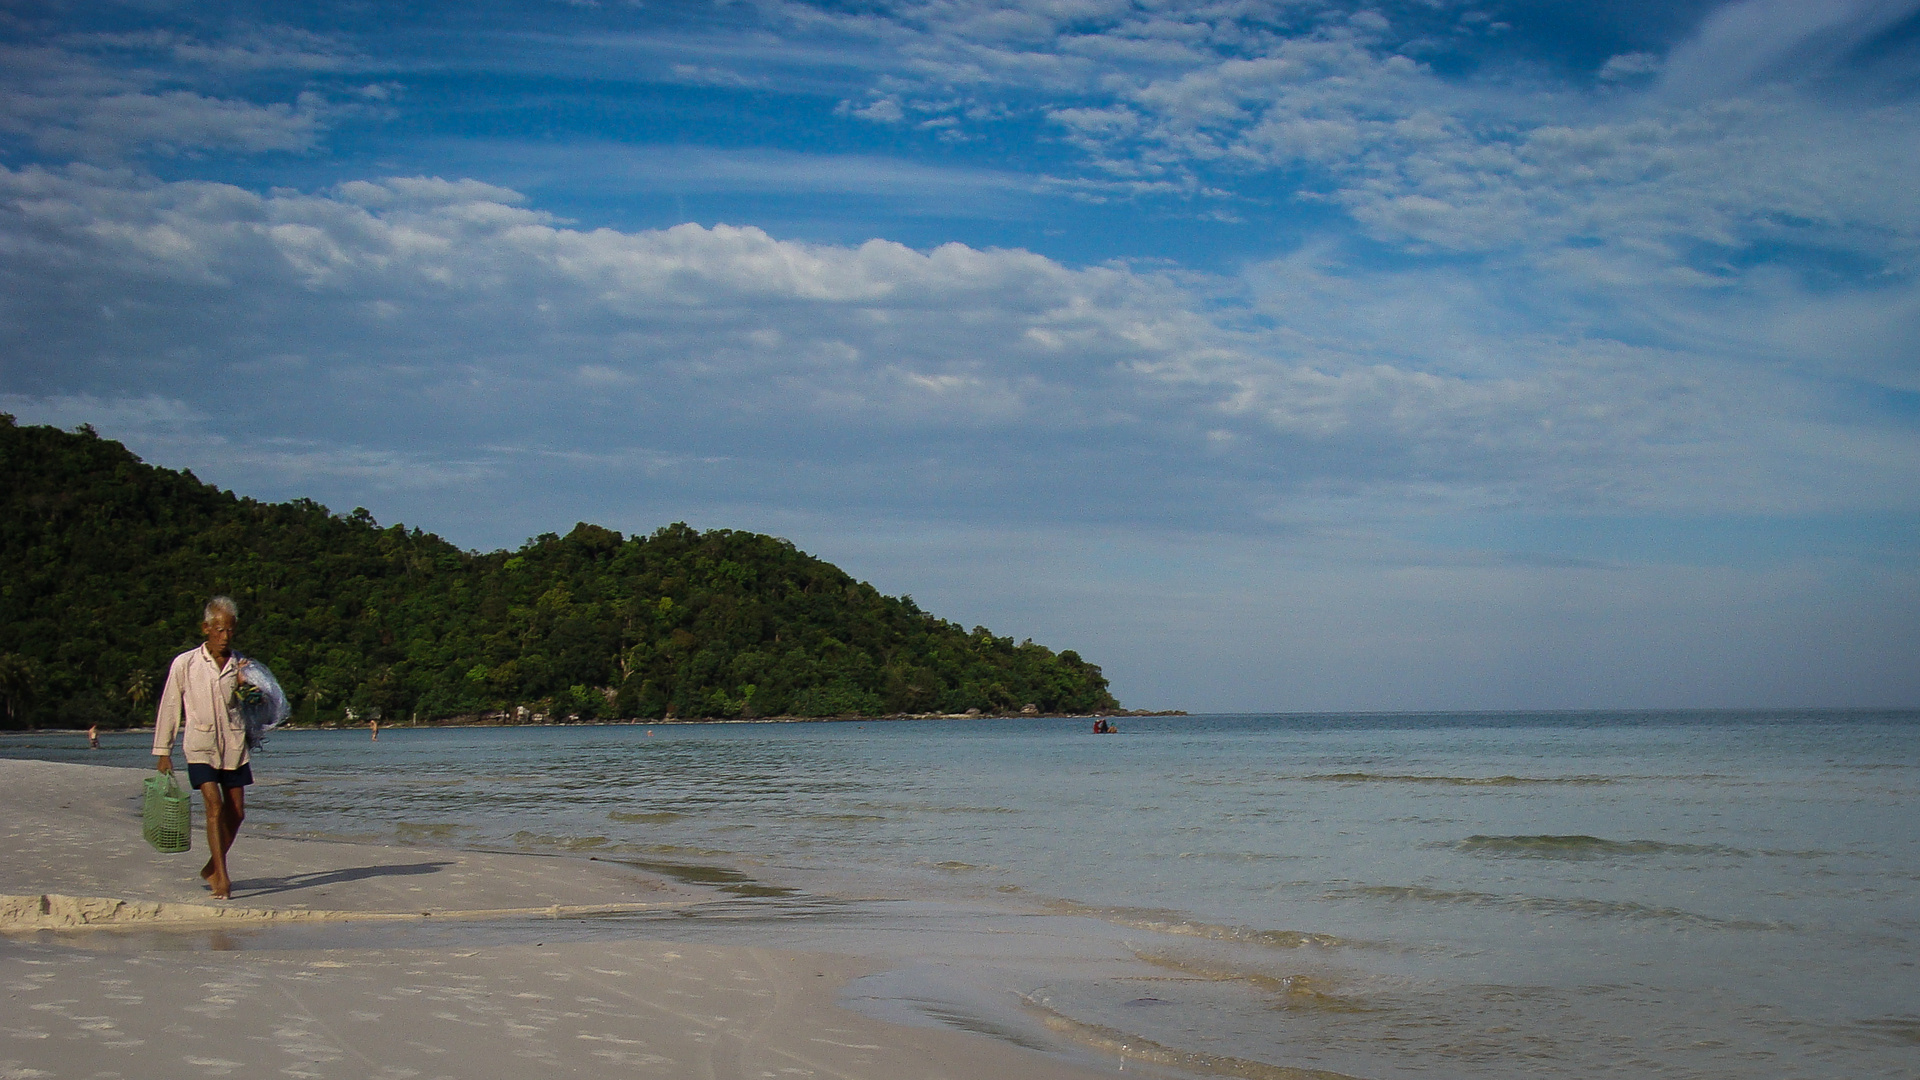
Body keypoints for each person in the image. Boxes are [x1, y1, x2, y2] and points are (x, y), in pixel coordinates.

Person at [152, 596, 253, 900]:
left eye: (230, 631)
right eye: (219, 630)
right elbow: (170, 705)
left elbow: (256, 706)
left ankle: (211, 866)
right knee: (214, 806)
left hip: (234, 746)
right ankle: (222, 877)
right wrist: (163, 751)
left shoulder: (241, 665)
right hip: (200, 745)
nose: (225, 637)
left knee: (236, 812)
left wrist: (246, 686)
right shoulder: (186, 663)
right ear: (206, 628)